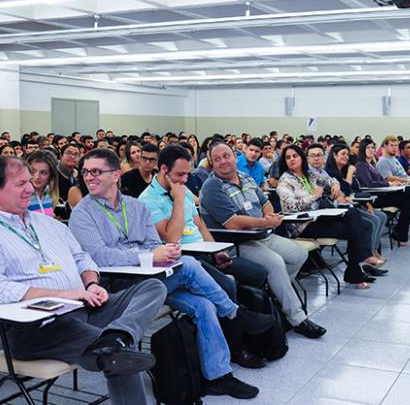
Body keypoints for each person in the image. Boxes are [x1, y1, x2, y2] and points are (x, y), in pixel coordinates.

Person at [69, 148, 272, 398]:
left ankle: (218, 376)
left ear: (115, 175)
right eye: (86, 171)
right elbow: (98, 256)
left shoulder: (135, 206)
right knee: (188, 265)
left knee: (204, 306)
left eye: (97, 172)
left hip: (152, 277)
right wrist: (147, 256)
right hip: (118, 287)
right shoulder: (82, 213)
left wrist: (164, 252)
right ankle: (233, 313)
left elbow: (153, 243)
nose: (89, 177)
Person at [0, 155, 166, 405]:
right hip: (40, 327)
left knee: (152, 287)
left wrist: (92, 284)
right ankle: (113, 344)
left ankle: (116, 336)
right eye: (20, 184)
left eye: (30, 181)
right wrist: (66, 295)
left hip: (83, 306)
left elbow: (83, 258)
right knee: (121, 358)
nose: (31, 188)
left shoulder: (46, 223)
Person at [138, 145, 270, 368]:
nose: (185, 179)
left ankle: (251, 330)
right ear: (163, 170)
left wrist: (216, 250)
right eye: (180, 174)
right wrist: (178, 200)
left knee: (257, 273)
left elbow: (200, 225)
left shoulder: (184, 190)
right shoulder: (148, 200)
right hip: (183, 260)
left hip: (204, 252)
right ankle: (237, 347)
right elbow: (171, 236)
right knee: (227, 286)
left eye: (188, 173)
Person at [199, 141, 327, 338]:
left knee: (299, 254)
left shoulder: (246, 178)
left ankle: (276, 296)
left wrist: (269, 217)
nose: (223, 162)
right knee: (275, 264)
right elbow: (232, 223)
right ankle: (297, 318)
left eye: (226, 156)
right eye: (217, 159)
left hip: (262, 234)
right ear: (212, 163)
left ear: (235, 157)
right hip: (236, 243)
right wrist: (264, 222)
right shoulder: (211, 187)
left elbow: (265, 203)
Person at [277, 144, 383, 289]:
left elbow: (330, 180)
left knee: (353, 214)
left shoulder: (310, 175)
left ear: (302, 158)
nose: (291, 160)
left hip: (320, 216)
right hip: (303, 224)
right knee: (357, 228)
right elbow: (290, 207)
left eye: (294, 156)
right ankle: (357, 268)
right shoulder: (285, 180)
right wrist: (313, 196)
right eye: (288, 157)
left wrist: (336, 185)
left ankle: (357, 267)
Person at [355, 139, 410, 243]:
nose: (371, 150)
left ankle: (400, 234)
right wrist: (389, 184)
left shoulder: (371, 164)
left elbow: (380, 180)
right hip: (374, 198)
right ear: (363, 149)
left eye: (373, 147)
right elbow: (369, 183)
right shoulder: (361, 165)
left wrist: (392, 184)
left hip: (383, 193)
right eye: (368, 147)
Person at [324, 144, 388, 266]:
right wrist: (349, 174)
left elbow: (357, 190)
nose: (346, 157)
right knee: (372, 222)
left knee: (381, 216)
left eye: (347, 154)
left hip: (355, 204)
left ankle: (373, 251)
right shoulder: (329, 173)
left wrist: (369, 205)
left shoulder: (346, 169)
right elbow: (346, 190)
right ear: (333, 155)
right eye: (342, 154)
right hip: (341, 209)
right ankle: (367, 256)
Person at [26, 150, 60, 218]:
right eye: (33, 171)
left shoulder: (51, 193)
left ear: (51, 175)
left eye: (43, 173)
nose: (37, 177)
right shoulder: (22, 195)